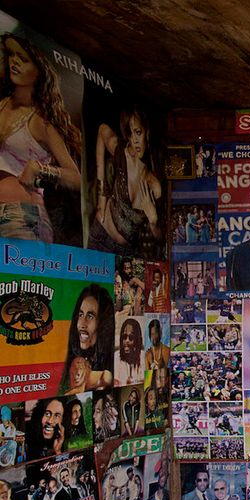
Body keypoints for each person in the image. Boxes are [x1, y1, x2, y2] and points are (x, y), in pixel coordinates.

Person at [0, 34, 82, 244]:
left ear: (39, 72)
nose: (14, 62)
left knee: (18, 279)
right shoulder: (1, 105)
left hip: (19, 218)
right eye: (12, 55)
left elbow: (76, 178)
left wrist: (40, 168)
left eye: (23, 59)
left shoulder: (40, 123)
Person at [91, 105, 162, 256]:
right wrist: (102, 196)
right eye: (130, 134)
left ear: (147, 133)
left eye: (138, 132)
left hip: (125, 253)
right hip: (100, 237)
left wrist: (153, 221)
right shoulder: (121, 153)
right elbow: (102, 130)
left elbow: (161, 240)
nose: (135, 140)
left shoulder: (154, 185)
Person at [59, 285, 114, 394]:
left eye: (90, 316)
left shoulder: (107, 370)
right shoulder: (72, 361)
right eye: (80, 315)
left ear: (103, 323)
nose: (81, 324)